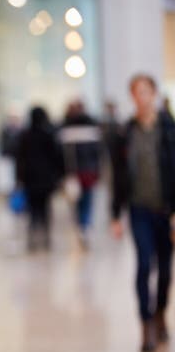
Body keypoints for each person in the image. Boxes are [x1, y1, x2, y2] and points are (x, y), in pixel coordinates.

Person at [110, 73, 175, 352]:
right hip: (138, 210)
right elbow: (117, 176)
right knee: (143, 265)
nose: (142, 97)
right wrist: (115, 215)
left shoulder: (169, 129)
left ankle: (160, 312)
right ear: (132, 96)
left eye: (146, 91)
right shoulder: (125, 133)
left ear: (155, 94)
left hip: (167, 210)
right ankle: (146, 323)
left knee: (164, 269)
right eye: (136, 92)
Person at [16, 106, 64, 251]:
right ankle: (45, 236)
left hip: (30, 179)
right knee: (44, 209)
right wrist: (58, 176)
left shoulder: (25, 135)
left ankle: (33, 236)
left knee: (33, 210)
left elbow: (20, 159)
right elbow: (57, 157)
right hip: (45, 180)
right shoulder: (48, 134)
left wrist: (19, 177)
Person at [59, 99, 102, 248]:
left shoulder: (66, 128)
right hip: (89, 172)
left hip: (74, 173)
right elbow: (98, 153)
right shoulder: (91, 127)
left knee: (76, 202)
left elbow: (62, 155)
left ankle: (81, 226)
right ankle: (85, 226)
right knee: (87, 201)